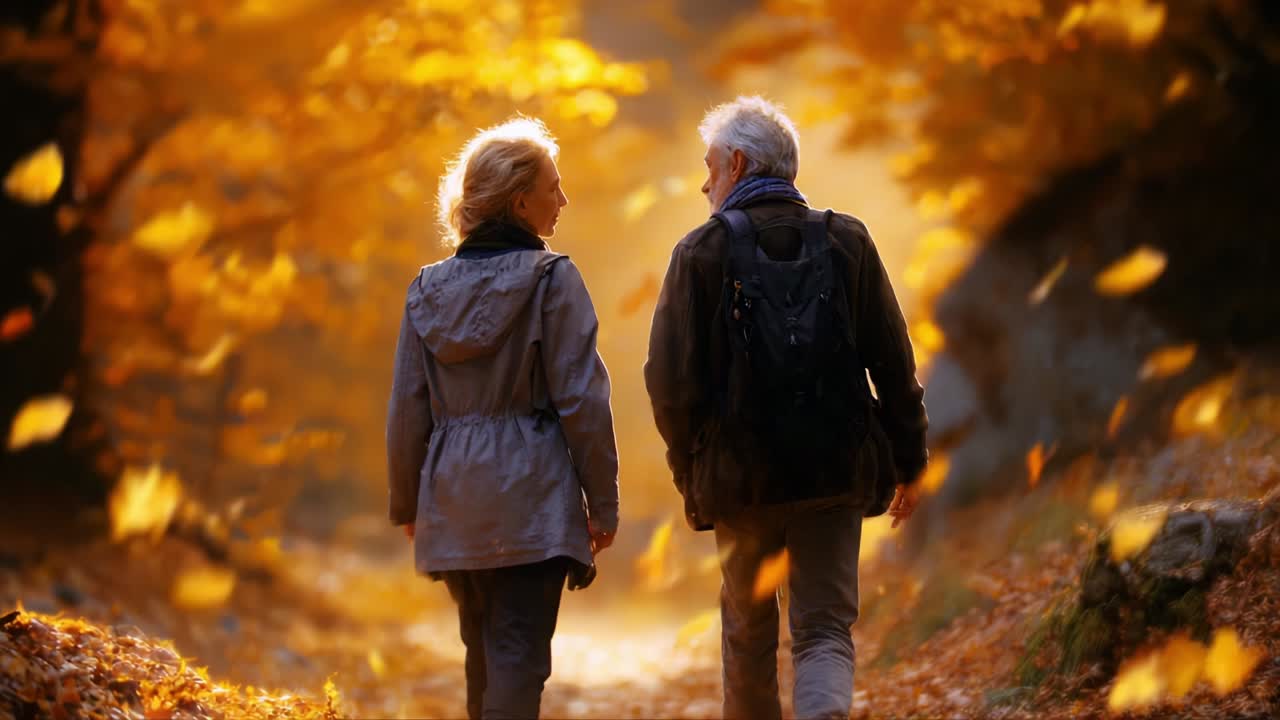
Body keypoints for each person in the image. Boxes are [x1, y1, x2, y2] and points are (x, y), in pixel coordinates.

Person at [644, 96, 929, 720]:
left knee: (747, 633)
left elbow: (668, 381)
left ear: (738, 163)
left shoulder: (700, 252)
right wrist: (910, 459)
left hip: (742, 479)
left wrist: (692, 472)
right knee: (825, 628)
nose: (704, 181)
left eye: (711, 166)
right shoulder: (846, 239)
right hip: (835, 466)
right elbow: (893, 362)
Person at [386, 117, 619, 720]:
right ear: (520, 202)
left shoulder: (425, 289)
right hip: (530, 492)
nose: (562, 200)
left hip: (455, 493)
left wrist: (408, 502)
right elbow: (583, 400)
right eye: (554, 187)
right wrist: (604, 500)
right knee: (518, 655)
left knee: (482, 651)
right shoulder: (554, 279)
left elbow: (408, 404)